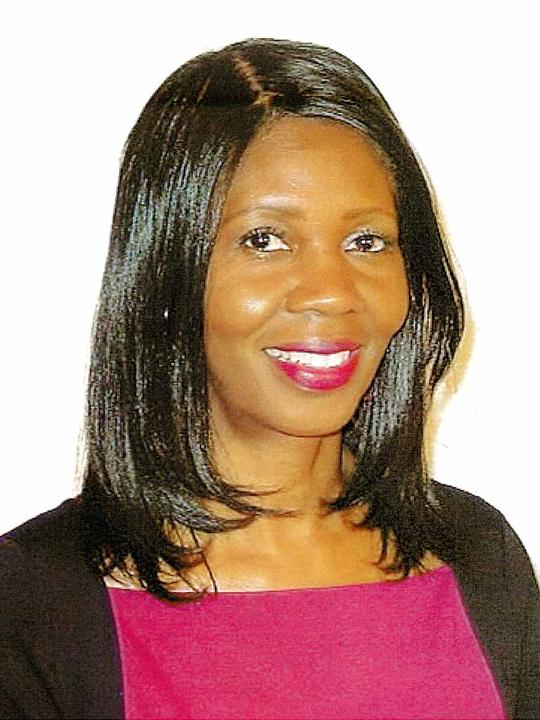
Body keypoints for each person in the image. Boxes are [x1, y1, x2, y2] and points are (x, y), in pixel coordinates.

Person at [0, 37, 538, 720]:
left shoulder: (477, 552)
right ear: (168, 274)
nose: (330, 292)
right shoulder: (33, 604)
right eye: (265, 240)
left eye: (366, 241)